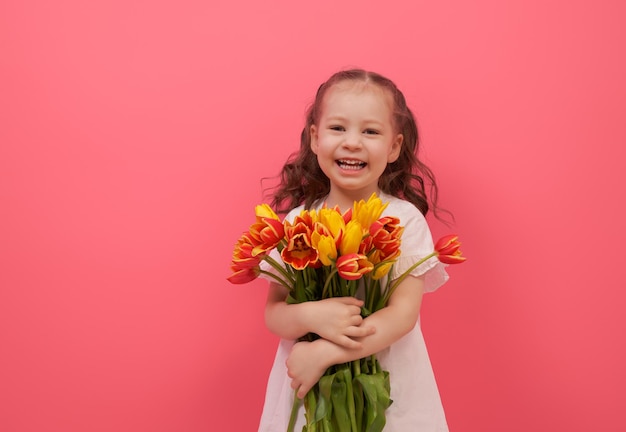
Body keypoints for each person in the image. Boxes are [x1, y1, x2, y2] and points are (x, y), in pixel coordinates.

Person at [258, 69, 450, 431]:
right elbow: (274, 312)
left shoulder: (401, 220)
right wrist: (313, 317)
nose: (352, 143)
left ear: (394, 147)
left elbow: (402, 316)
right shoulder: (298, 223)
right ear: (315, 139)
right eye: (338, 128)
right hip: (309, 391)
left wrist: (324, 352)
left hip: (387, 384)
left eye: (370, 131)